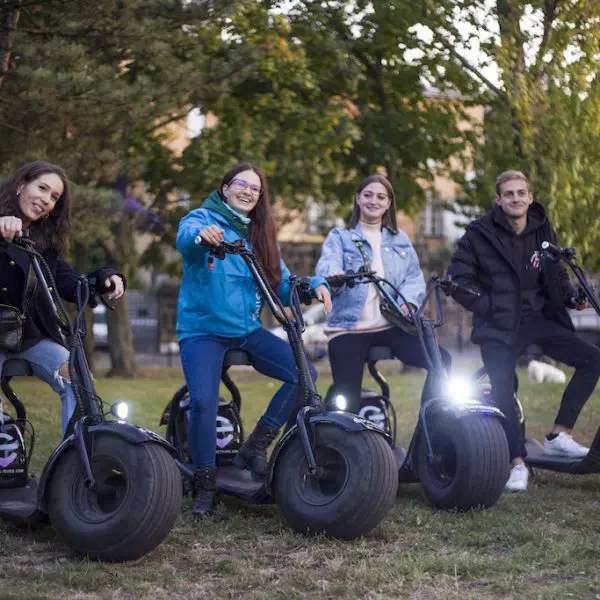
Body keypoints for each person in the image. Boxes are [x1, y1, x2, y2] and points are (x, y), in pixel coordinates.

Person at [176, 162, 332, 518]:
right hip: (202, 331)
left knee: (303, 374)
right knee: (204, 403)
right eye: (241, 185)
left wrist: (313, 284)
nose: (248, 192)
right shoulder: (202, 218)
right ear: (225, 187)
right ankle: (205, 483)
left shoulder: (259, 234)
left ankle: (255, 446)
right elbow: (187, 240)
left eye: (255, 189)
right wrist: (204, 238)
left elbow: (282, 281)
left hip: (245, 330)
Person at [447, 169, 600, 492]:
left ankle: (559, 435)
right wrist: (491, 307)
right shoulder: (478, 234)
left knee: (592, 359)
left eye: (521, 193)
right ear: (499, 200)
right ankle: (516, 463)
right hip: (499, 325)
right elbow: (458, 282)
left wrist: (572, 297)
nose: (516, 198)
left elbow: (555, 273)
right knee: (503, 388)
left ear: (530, 197)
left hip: (539, 319)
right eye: (509, 194)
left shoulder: (541, 228)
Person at [0, 161, 126, 435]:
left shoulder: (44, 242)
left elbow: (67, 282)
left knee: (80, 381)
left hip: (28, 336)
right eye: (42, 188)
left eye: (54, 197)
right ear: (21, 184)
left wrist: (104, 278)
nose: (46, 200)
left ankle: (72, 466)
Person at [315, 174, 451, 415]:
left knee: (442, 361)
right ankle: (337, 440)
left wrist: (407, 303)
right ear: (357, 199)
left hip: (391, 324)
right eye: (367, 195)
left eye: (380, 197)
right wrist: (333, 274)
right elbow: (327, 265)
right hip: (349, 328)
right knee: (346, 398)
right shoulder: (340, 237)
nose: (373, 201)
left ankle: (431, 423)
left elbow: (413, 276)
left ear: (389, 203)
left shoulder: (399, 239)